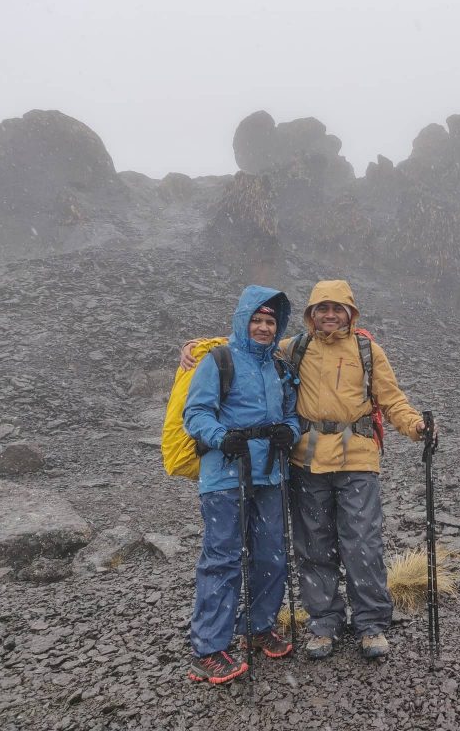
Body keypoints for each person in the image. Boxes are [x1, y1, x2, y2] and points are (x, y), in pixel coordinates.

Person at [181, 280, 433, 660]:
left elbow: (391, 398)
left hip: (357, 459)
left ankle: (370, 624)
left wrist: (416, 426)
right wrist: (196, 347)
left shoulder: (367, 350)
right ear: (310, 314)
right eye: (322, 308)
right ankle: (324, 624)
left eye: (338, 308)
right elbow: (248, 343)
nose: (329, 315)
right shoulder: (293, 348)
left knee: (362, 543)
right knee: (313, 546)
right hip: (307, 461)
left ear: (350, 312)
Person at [183, 285, 300, 684]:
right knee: (223, 557)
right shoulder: (219, 360)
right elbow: (196, 413)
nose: (264, 327)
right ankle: (209, 649)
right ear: (243, 321)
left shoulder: (280, 366)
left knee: (271, 554)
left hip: (269, 474)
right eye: (258, 320)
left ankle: (258, 626)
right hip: (225, 475)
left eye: (270, 321)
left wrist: (290, 432)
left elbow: (292, 414)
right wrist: (221, 437)